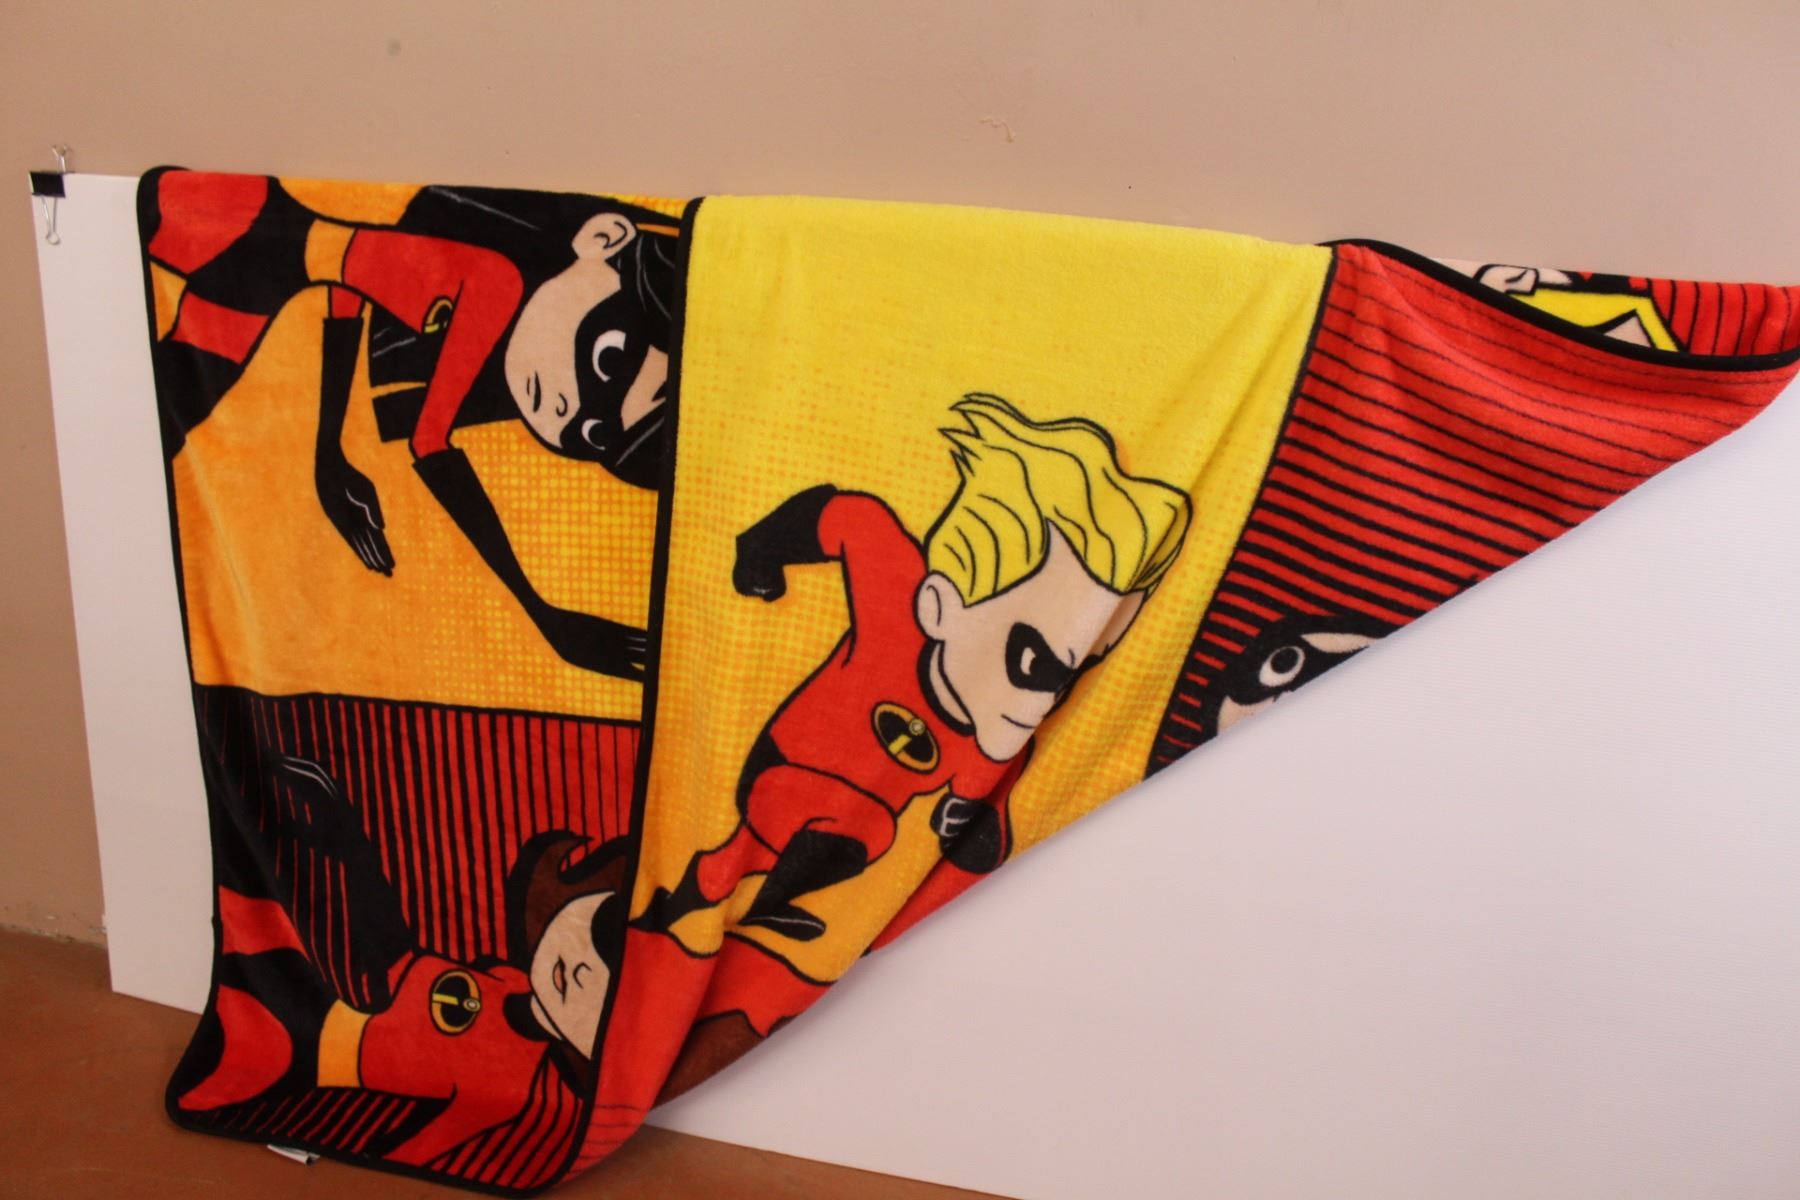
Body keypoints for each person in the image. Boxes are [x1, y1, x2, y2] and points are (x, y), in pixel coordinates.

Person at [650, 394, 1193, 942]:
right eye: (1031, 663)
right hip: (785, 763)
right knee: (782, 835)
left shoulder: (997, 731)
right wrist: (760, 553)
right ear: (939, 605)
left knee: (866, 837)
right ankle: (686, 911)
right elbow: (855, 519)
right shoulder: (899, 608)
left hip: (862, 817)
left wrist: (964, 814)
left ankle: (756, 903)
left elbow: (987, 821)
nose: (1040, 700)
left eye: (1066, 675)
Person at [139, 170, 681, 678]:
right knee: (151, 411)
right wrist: (542, 615)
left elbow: (350, 280)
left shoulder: (481, 303)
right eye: (609, 360)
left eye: (596, 433)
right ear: (603, 239)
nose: (568, 408)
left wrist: (330, 451)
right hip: (248, 225)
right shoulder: (496, 282)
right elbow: (429, 441)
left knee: (153, 427)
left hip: (264, 280)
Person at [174, 755, 630, 1169]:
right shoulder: (508, 978)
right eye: (591, 933)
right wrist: (353, 848)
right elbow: (403, 963)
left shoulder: (515, 1085)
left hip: (309, 1052)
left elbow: (426, 1141)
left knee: (225, 1072)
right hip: (336, 979)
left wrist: (370, 1149)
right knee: (266, 907)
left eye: (605, 985)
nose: (581, 969)